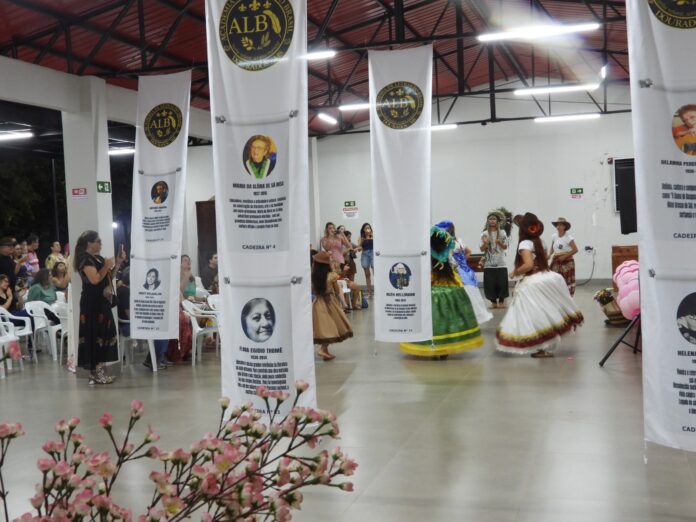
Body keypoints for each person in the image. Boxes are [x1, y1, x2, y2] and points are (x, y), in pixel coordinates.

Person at [495, 213, 584, 358]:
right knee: (546, 310)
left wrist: (514, 272)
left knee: (533, 313)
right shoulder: (541, 241)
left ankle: (543, 346)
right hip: (548, 277)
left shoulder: (525, 244)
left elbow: (528, 265)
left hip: (534, 281)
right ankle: (546, 346)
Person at [400, 226, 484, 358]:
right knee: (447, 320)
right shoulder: (446, 260)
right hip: (450, 289)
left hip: (431, 291)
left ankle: (432, 345)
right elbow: (454, 267)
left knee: (433, 321)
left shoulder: (427, 259)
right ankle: (444, 347)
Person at [74, 230, 126, 384]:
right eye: (98, 241)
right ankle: (96, 371)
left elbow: (108, 277)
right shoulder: (85, 260)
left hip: (102, 302)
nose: (101, 244)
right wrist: (106, 266)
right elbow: (95, 279)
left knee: (106, 334)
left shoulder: (98, 258)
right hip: (92, 303)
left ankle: (100, 370)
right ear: (89, 243)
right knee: (95, 335)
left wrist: (118, 262)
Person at [435, 220, 492, 324]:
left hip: (455, 270)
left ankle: (461, 316)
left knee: (462, 291)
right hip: (464, 269)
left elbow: (448, 257)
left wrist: (456, 263)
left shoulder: (448, 242)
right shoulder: (459, 240)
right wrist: (463, 261)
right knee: (469, 291)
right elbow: (468, 251)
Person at [311, 251, 353, 361]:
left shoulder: (313, 277)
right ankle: (322, 349)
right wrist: (343, 304)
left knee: (323, 328)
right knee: (331, 327)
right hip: (330, 302)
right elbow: (338, 291)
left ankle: (325, 350)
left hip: (317, 303)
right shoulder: (332, 276)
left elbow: (313, 291)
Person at [480, 211, 509, 308]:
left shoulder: (502, 232)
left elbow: (505, 246)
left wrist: (499, 243)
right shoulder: (484, 233)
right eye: (490, 219)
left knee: (502, 283)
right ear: (488, 221)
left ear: (497, 221)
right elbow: (481, 249)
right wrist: (485, 243)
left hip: (501, 263)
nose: (492, 221)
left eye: (494, 219)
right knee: (490, 284)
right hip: (489, 264)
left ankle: (501, 301)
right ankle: (493, 302)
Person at [548, 217, 579, 296]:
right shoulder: (554, 236)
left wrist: (564, 256)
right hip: (556, 260)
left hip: (567, 262)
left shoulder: (568, 237)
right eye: (557, 225)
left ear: (564, 227)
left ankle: (566, 298)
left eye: (560, 225)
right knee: (554, 278)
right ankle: (557, 297)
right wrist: (548, 256)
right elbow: (552, 249)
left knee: (566, 281)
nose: (558, 227)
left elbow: (575, 250)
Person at [358, 223, 374, 295]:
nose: (368, 229)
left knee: (375, 271)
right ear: (363, 230)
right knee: (367, 274)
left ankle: (378, 290)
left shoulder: (373, 235)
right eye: (366, 228)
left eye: (369, 228)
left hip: (373, 253)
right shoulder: (361, 237)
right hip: (365, 254)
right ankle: (369, 291)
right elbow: (359, 249)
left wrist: (372, 236)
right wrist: (362, 241)